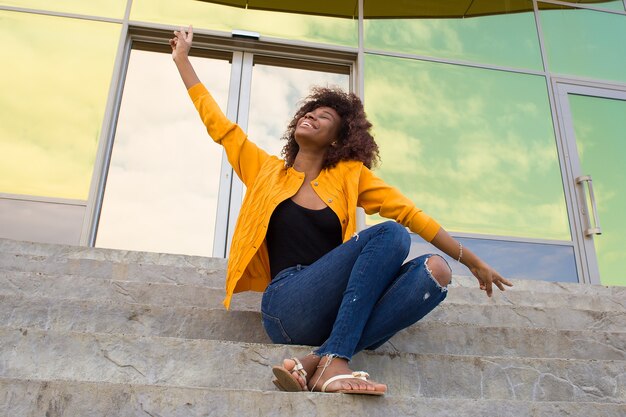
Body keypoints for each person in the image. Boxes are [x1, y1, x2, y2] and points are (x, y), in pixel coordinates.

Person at [170, 26, 512, 396]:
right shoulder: (265, 169)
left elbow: (412, 214)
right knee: (391, 235)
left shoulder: (351, 176)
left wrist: (471, 261)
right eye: (309, 112)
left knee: (435, 273)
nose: (311, 117)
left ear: (338, 138)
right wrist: (182, 61)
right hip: (287, 306)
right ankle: (334, 360)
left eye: (324, 118)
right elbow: (221, 127)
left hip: (336, 314)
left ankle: (321, 360)